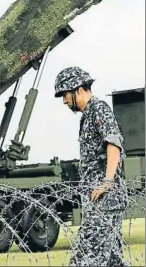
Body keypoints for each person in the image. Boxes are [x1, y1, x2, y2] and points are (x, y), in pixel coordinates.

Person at [54, 66, 128, 267]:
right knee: (113, 260)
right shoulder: (88, 116)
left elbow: (113, 143)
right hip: (99, 200)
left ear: (78, 89)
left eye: (65, 94)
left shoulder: (99, 108)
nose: (64, 100)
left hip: (104, 200)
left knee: (84, 260)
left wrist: (107, 182)